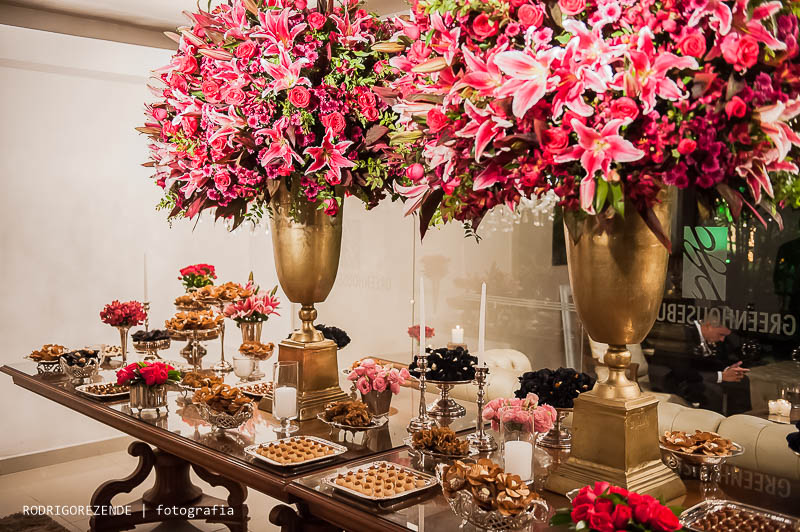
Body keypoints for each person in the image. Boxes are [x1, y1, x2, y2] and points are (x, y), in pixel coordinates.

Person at [655, 320, 751, 415]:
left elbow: (708, 361)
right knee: (713, 391)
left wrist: (727, 370)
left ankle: (738, 421)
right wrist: (721, 376)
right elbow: (681, 370)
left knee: (741, 380)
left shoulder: (706, 336)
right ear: (709, 326)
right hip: (673, 378)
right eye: (721, 335)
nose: (722, 339)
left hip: (693, 374)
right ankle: (710, 426)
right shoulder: (681, 333)